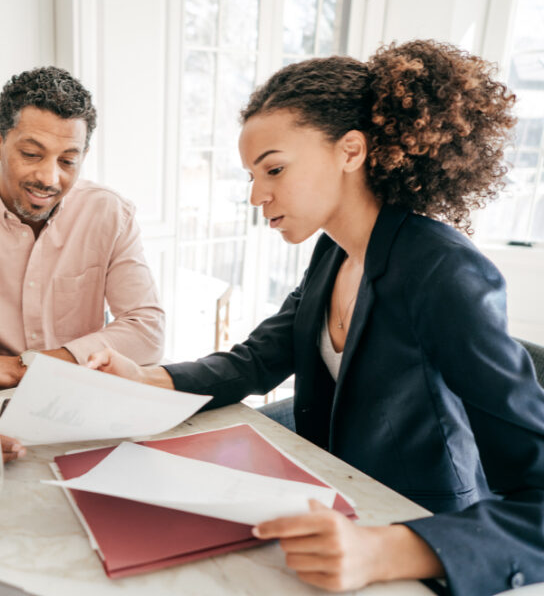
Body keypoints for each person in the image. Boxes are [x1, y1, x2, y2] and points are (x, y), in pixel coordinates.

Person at [87, 40, 544, 595]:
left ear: (350, 151)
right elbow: (257, 360)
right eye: (252, 176)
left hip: (416, 530)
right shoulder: (333, 250)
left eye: (273, 168)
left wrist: (389, 548)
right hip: (335, 500)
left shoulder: (444, 273)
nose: (257, 195)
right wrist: (145, 379)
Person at [0, 67, 165, 450]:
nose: (49, 178)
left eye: (68, 161)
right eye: (31, 154)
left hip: (84, 411)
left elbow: (146, 330)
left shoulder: (110, 214)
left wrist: (25, 365)